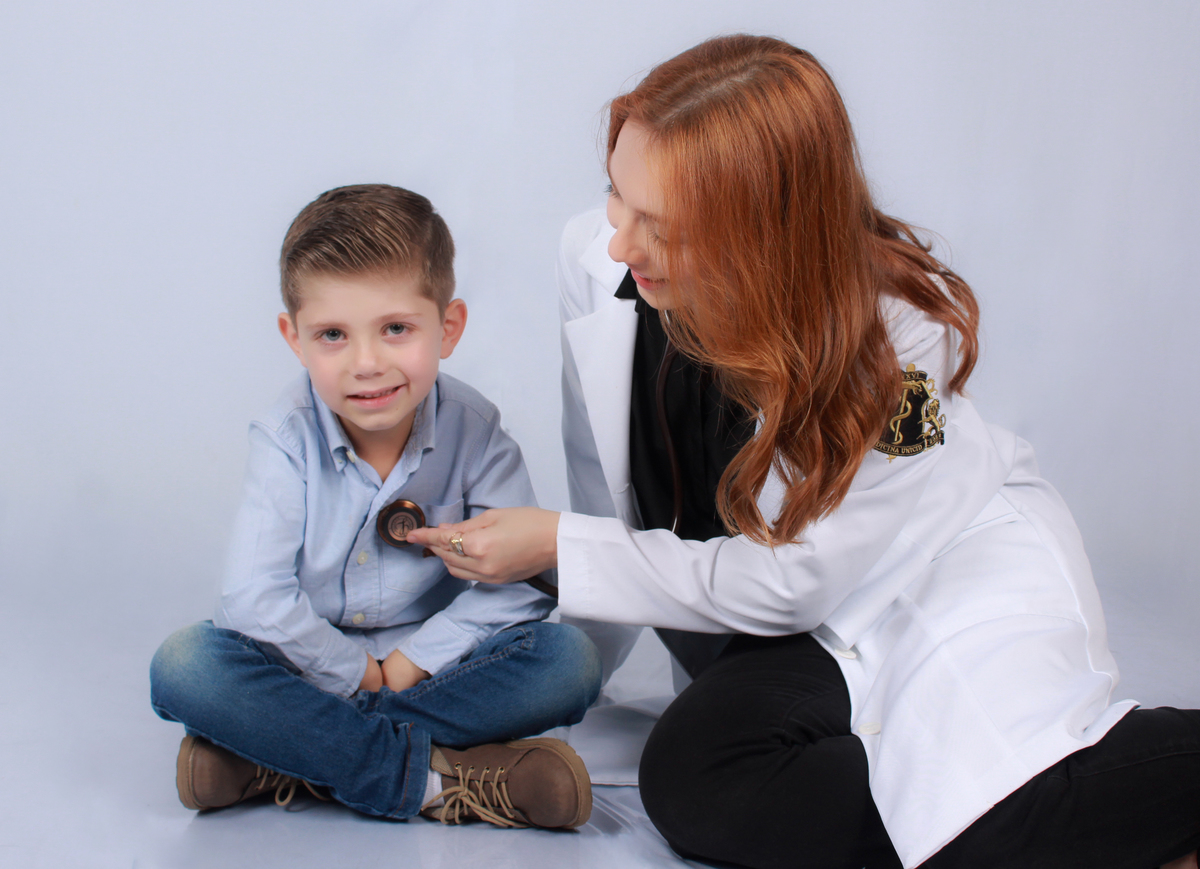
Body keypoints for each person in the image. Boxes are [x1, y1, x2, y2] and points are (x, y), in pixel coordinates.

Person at [407, 36, 1200, 868]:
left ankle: (1048, 803)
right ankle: (1029, 816)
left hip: (930, 572)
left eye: (662, 227)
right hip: (788, 621)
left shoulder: (901, 340)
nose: (619, 244)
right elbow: (608, 497)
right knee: (693, 779)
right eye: (618, 194)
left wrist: (556, 543)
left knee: (966, 804)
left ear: (764, 233)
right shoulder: (595, 262)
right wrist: (561, 675)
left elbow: (794, 580)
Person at [149, 184, 601, 830]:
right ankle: (437, 779)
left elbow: (521, 583)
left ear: (448, 328)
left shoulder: (476, 431)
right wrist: (358, 671)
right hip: (307, 666)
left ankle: (283, 754)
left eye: (395, 329)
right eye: (332, 334)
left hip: (433, 667)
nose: (366, 363)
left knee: (570, 661)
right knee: (185, 665)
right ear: (294, 337)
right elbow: (254, 599)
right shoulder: (285, 437)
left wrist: (408, 663)